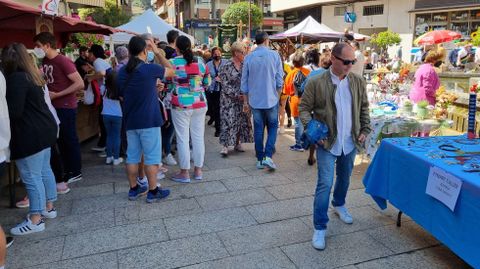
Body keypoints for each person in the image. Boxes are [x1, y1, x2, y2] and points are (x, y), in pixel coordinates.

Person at [299, 43, 371, 250]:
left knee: (345, 177)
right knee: (324, 183)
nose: (350, 65)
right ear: (333, 59)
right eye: (346, 62)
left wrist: (364, 128)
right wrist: (313, 132)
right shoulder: (316, 82)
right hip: (327, 143)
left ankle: (339, 204)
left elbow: (364, 107)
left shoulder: (357, 81)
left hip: (350, 142)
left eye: (353, 62)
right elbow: (304, 109)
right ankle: (320, 226)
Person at [2, 43, 59, 235]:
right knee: (43, 170)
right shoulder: (33, 75)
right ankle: (48, 207)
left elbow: (15, 112)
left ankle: (36, 219)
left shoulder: (16, 79)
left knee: (32, 177)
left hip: (30, 134)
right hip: (44, 130)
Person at [118, 36, 174, 202]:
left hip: (130, 121)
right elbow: (171, 70)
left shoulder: (122, 71)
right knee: (151, 158)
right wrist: (157, 52)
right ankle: (153, 190)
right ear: (145, 50)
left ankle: (133, 188)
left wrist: (152, 88)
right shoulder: (149, 69)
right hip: (149, 120)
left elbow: (126, 95)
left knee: (132, 156)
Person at [33, 32, 84, 184]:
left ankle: (75, 171)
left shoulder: (63, 61)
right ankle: (66, 169)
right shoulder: (45, 60)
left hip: (66, 106)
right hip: (53, 106)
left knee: (69, 139)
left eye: (38, 46)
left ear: (47, 45)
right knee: (60, 140)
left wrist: (59, 94)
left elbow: (79, 83)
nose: (36, 49)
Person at [166, 36, 211, 183]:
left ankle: (184, 172)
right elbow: (207, 82)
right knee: (198, 138)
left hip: (180, 104)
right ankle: (198, 171)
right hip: (200, 103)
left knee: (182, 138)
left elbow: (167, 84)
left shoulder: (172, 63)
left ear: (176, 48)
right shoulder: (200, 62)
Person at [241, 31, 284, 170]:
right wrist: (277, 96)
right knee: (272, 127)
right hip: (271, 98)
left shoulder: (248, 57)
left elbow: (244, 82)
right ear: (266, 40)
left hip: (254, 99)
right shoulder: (274, 55)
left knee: (258, 129)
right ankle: (268, 156)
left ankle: (260, 159)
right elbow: (279, 80)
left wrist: (246, 101)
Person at [218, 42, 253, 156]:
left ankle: (238, 143)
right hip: (228, 99)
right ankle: (225, 145)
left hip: (243, 98)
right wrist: (237, 94)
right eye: (242, 52)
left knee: (241, 121)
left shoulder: (245, 64)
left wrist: (246, 94)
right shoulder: (226, 65)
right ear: (235, 52)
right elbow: (224, 83)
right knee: (228, 121)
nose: (244, 54)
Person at [300, 52, 332, 166]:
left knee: (315, 130)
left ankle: (311, 155)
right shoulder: (333, 77)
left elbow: (303, 87)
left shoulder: (313, 73)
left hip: (313, 108)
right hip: (327, 111)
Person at [87, 45, 111, 161]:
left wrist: (91, 77)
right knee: (103, 120)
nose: (88, 55)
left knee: (103, 120)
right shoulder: (101, 61)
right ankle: (103, 144)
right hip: (106, 93)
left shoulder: (97, 61)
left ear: (93, 53)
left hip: (104, 94)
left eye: (89, 53)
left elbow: (102, 73)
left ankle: (106, 145)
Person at [283, 52, 310, 152]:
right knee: (306, 122)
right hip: (307, 100)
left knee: (298, 122)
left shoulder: (290, 74)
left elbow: (286, 91)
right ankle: (306, 142)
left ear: (293, 63)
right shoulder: (308, 72)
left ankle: (299, 144)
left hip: (295, 100)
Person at [206, 47, 226, 137]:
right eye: (215, 53)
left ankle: (220, 128)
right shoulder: (208, 64)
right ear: (212, 54)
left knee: (220, 109)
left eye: (219, 53)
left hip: (223, 90)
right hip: (212, 90)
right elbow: (206, 77)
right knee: (214, 109)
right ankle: (216, 124)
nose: (217, 55)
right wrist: (214, 79)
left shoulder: (226, 62)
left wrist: (223, 79)